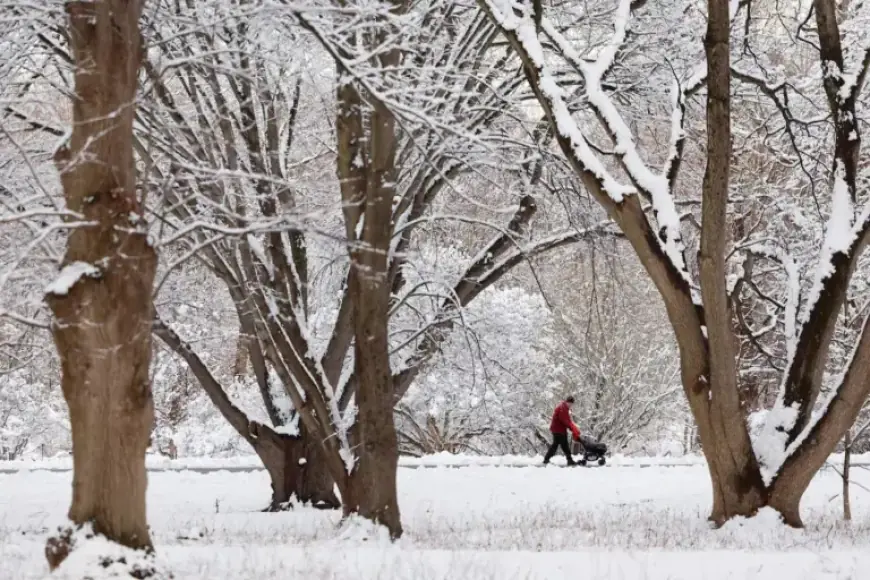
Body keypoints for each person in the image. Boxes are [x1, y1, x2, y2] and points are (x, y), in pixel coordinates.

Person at [543, 396, 580, 466]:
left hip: (559, 429)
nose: (571, 405)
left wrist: (573, 427)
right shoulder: (562, 408)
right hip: (558, 430)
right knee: (558, 445)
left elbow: (567, 420)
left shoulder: (564, 407)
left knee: (563, 445)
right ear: (567, 402)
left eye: (572, 404)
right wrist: (572, 428)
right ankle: (546, 459)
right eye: (570, 404)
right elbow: (565, 420)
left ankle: (569, 460)